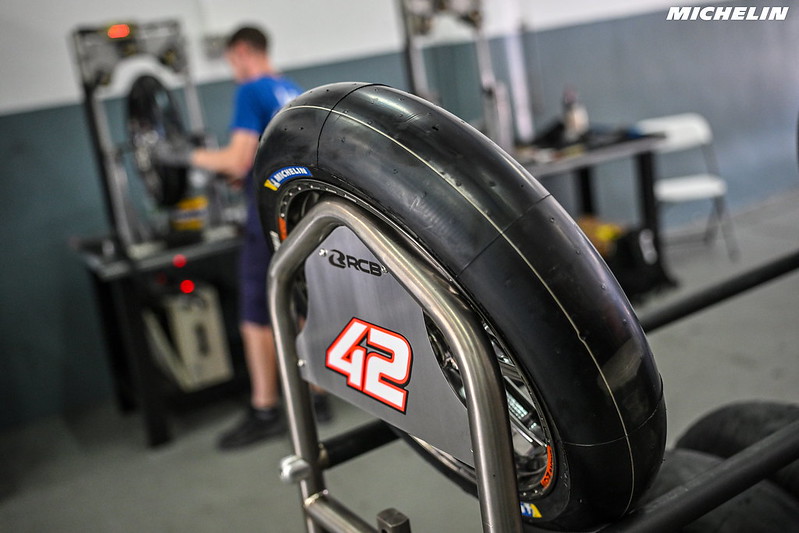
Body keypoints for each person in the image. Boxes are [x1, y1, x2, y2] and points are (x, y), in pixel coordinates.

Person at [158, 25, 330, 449]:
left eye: (231, 60)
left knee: (256, 315)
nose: (232, 68)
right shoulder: (288, 89)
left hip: (264, 217)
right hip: (299, 210)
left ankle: (265, 409)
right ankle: (319, 395)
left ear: (241, 52)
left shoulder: (251, 90)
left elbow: (236, 160)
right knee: (301, 302)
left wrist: (184, 155)